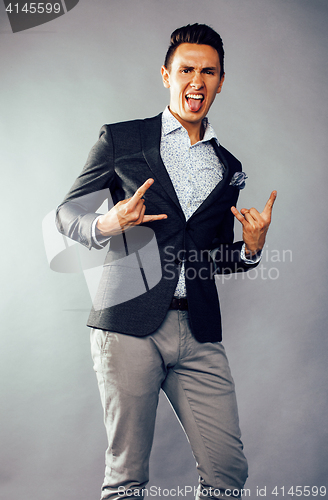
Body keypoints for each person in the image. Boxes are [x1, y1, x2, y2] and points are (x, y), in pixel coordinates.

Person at [56, 23, 276, 500]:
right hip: (128, 324)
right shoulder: (123, 139)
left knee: (227, 473)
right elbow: (65, 212)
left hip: (197, 331)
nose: (197, 80)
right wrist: (105, 225)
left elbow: (213, 256)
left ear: (221, 81)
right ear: (166, 75)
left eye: (208, 72)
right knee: (127, 479)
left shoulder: (229, 168)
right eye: (186, 70)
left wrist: (252, 248)